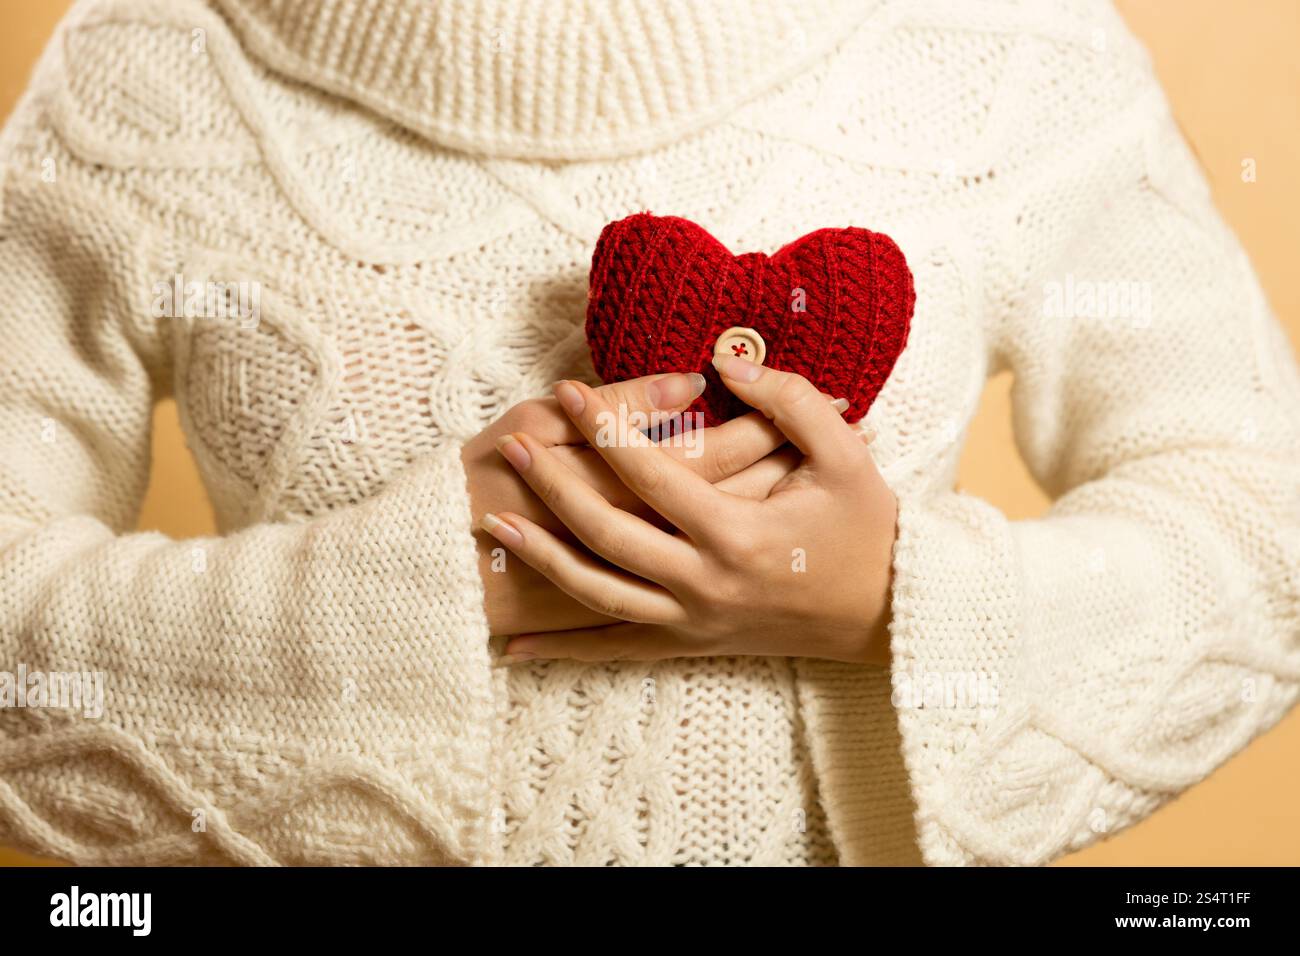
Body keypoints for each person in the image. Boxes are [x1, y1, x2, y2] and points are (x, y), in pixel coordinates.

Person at [0, 0, 1295, 866]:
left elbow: (1265, 525)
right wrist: (410, 601)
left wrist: (895, 599)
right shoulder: (149, 62)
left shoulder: (1008, 45)